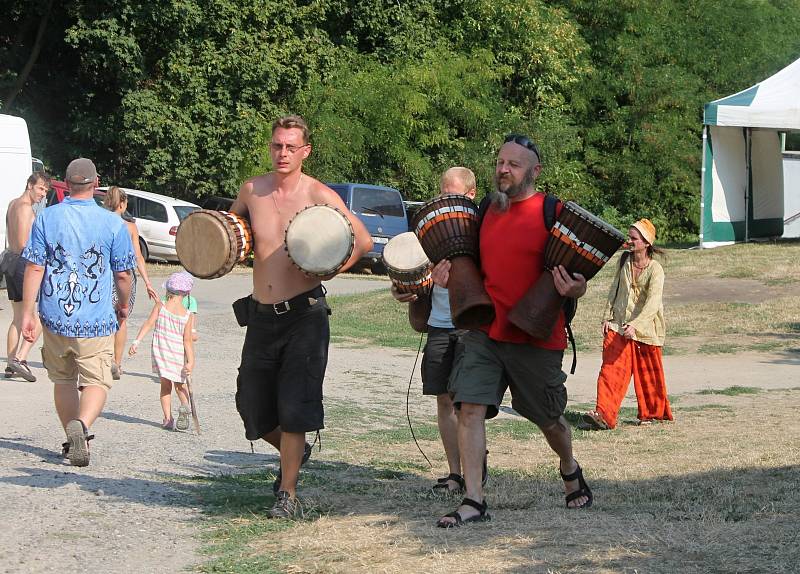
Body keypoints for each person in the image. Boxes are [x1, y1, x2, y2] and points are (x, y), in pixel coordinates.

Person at [436, 134, 593, 528]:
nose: (503, 169)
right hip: (485, 332)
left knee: (550, 420)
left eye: (514, 164)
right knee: (468, 407)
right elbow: (465, 261)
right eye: (500, 162)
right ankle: (474, 500)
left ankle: (569, 467)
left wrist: (577, 288)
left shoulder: (553, 213)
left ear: (535, 171)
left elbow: (578, 275)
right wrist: (446, 276)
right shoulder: (486, 208)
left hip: (536, 337)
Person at [229, 115, 373, 518]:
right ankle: (297, 452)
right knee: (251, 405)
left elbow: (362, 241)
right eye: (277, 145)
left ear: (305, 151)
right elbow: (228, 232)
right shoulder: (252, 190)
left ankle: (287, 495)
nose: (283, 153)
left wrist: (330, 269)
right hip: (260, 315)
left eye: (291, 147)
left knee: (295, 406)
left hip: (304, 316)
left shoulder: (319, 194)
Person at [20, 158, 134, 467]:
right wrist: (123, 305)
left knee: (63, 381)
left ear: (66, 185)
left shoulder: (46, 218)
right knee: (97, 381)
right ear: (96, 184)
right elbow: (123, 274)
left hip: (55, 314)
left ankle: (72, 442)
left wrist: (27, 313)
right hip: (94, 318)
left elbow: (33, 266)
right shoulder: (113, 223)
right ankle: (81, 427)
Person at [392, 167, 484, 494]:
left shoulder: (483, 229)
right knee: (444, 401)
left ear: (470, 195)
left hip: (471, 326)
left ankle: (474, 466)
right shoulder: (431, 230)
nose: (445, 201)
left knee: (466, 403)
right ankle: (455, 473)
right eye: (443, 194)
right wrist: (405, 289)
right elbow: (413, 271)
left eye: (453, 195)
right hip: (438, 325)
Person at [582, 219, 673, 430]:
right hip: (620, 326)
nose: (629, 241)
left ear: (646, 242)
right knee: (610, 371)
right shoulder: (624, 261)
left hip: (647, 330)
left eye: (634, 238)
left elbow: (653, 302)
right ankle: (603, 415)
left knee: (649, 376)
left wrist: (637, 325)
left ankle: (652, 414)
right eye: (629, 237)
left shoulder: (655, 269)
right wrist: (607, 318)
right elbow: (614, 290)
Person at [128, 271, 196, 431]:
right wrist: (191, 362)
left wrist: (136, 341)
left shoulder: (160, 306)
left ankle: (168, 419)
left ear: (168, 291)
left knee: (165, 387)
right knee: (180, 386)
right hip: (178, 356)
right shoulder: (188, 315)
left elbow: (148, 324)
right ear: (186, 294)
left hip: (162, 353)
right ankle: (185, 405)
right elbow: (187, 340)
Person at [103, 186, 158, 379]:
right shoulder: (130, 226)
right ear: (122, 203)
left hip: (102, 274)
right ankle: (117, 363)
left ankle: (103, 360)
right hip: (125, 275)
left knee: (103, 318)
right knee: (121, 318)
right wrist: (147, 282)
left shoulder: (100, 223)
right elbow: (138, 257)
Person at [3, 172, 49, 382]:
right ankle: (20, 358)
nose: (43, 193)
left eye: (46, 190)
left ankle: (11, 361)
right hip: (22, 263)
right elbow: (23, 242)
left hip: (10, 261)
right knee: (39, 316)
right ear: (30, 185)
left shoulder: (12, 204)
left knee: (18, 317)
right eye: (40, 188)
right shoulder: (23, 207)